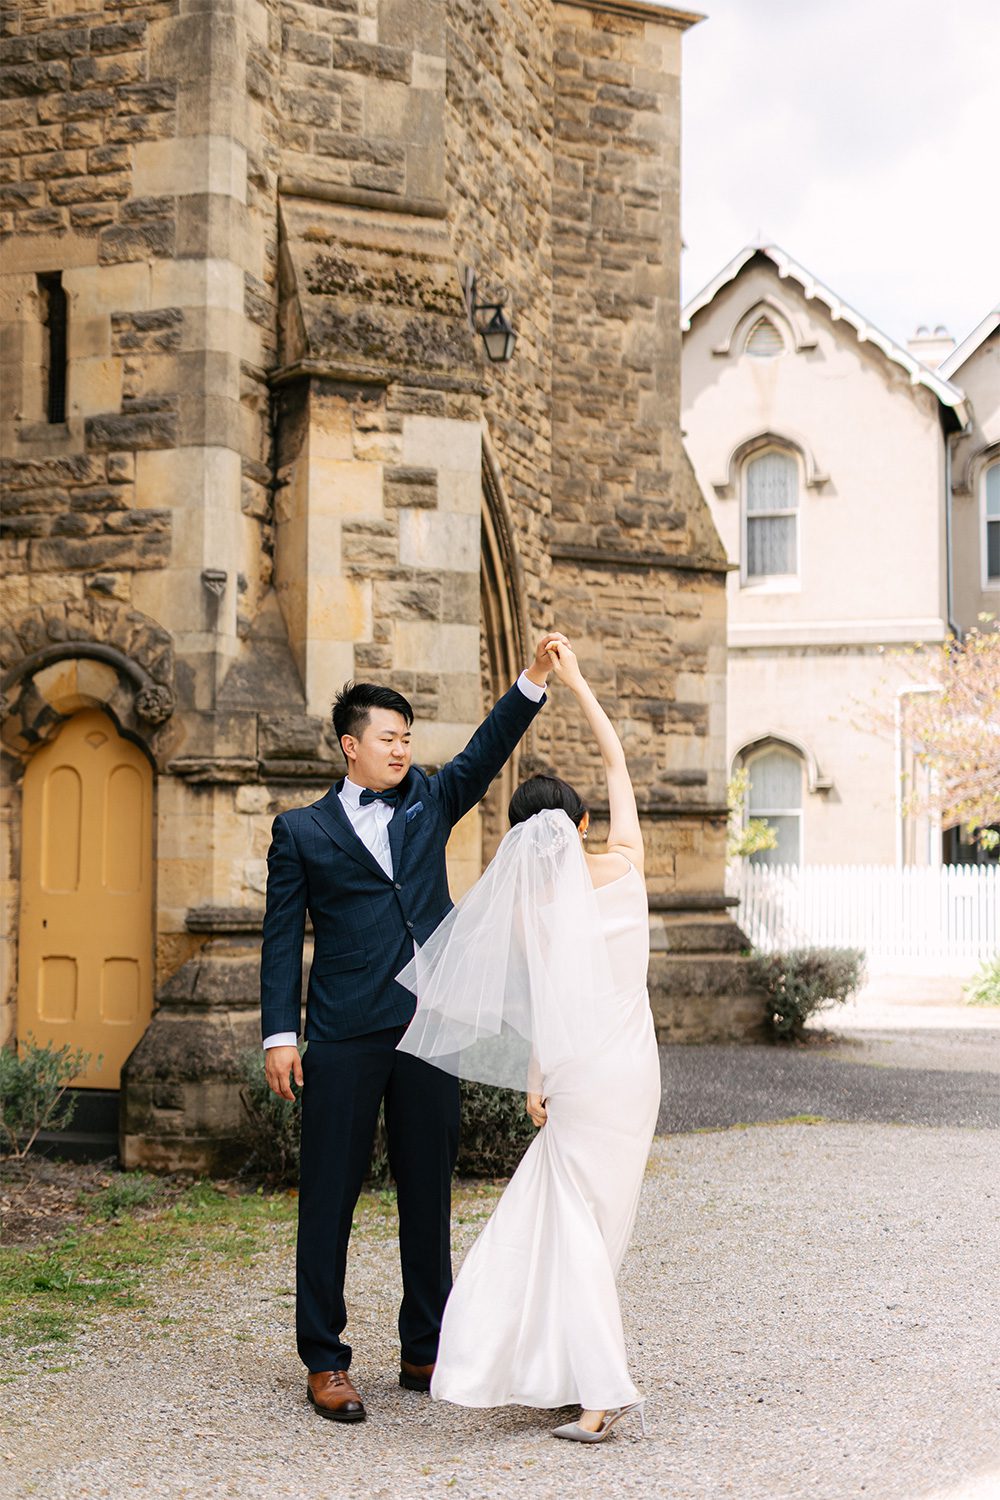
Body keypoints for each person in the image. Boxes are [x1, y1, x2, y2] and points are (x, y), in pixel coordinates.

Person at [260, 635, 568, 1423]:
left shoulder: (430, 800)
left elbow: (483, 753)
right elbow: (279, 938)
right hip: (345, 1033)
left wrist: (531, 679)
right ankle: (324, 1360)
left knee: (428, 1194)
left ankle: (424, 1346)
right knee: (329, 1198)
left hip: (432, 1029)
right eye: (387, 738)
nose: (401, 749)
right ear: (350, 746)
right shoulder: (300, 832)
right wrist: (279, 1037)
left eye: (407, 738)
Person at [396, 640, 661, 1442]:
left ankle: (597, 1394)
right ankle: (574, 1371)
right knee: (594, 1220)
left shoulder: (532, 911)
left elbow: (546, 1008)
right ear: (581, 821)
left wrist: (534, 1081)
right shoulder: (627, 862)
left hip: (579, 1074)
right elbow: (616, 759)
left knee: (567, 1221)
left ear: (520, 840)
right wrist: (577, 681)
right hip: (633, 1072)